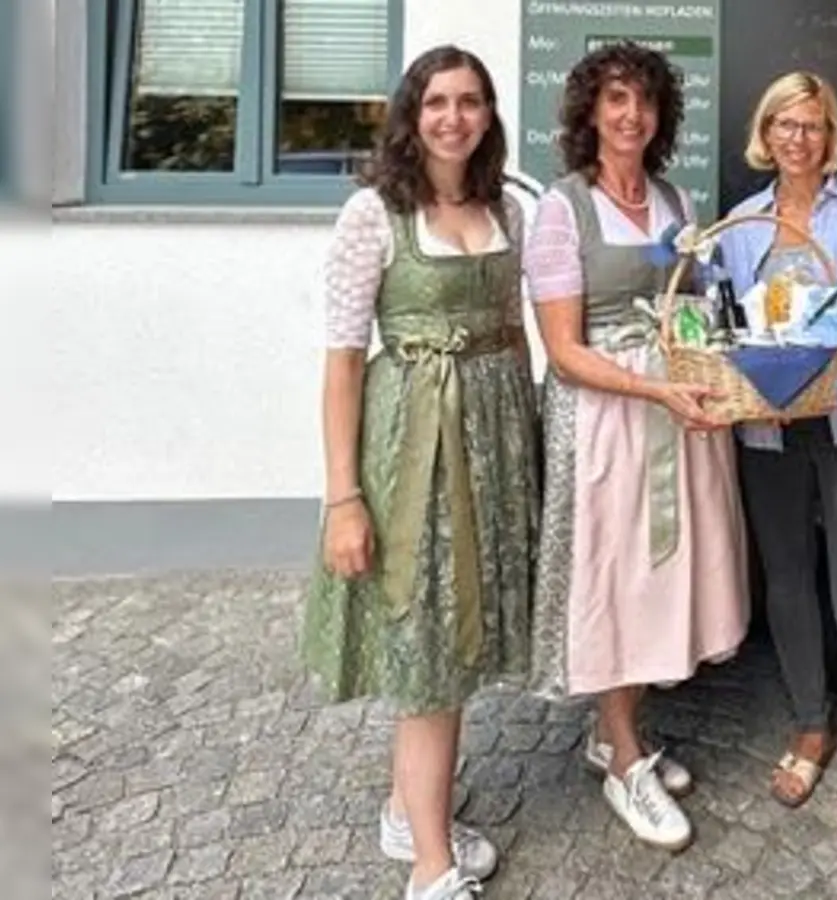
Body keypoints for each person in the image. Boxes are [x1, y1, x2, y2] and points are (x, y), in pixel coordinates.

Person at [300, 46, 538, 900]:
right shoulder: (374, 214)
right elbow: (341, 364)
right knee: (427, 642)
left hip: (492, 447)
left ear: (489, 115)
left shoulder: (506, 203)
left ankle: (410, 813)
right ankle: (432, 869)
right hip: (410, 453)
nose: (454, 118)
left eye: (470, 102)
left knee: (457, 631)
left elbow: (513, 330)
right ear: (412, 113)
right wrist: (343, 497)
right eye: (437, 102)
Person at [525, 41, 748, 851]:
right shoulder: (564, 208)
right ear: (590, 111)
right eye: (616, 99)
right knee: (615, 578)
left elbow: (690, 309)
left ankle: (616, 735)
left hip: (675, 410)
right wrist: (653, 387)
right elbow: (564, 350)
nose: (631, 115)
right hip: (607, 423)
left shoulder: (672, 200)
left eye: (645, 102)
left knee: (657, 576)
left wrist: (708, 371)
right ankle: (623, 758)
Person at [718, 72, 837, 843]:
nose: (799, 139)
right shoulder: (736, 225)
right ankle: (809, 726)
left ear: (832, 134)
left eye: (813, 125)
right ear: (764, 135)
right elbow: (725, 325)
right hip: (767, 430)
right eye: (784, 125)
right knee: (790, 584)